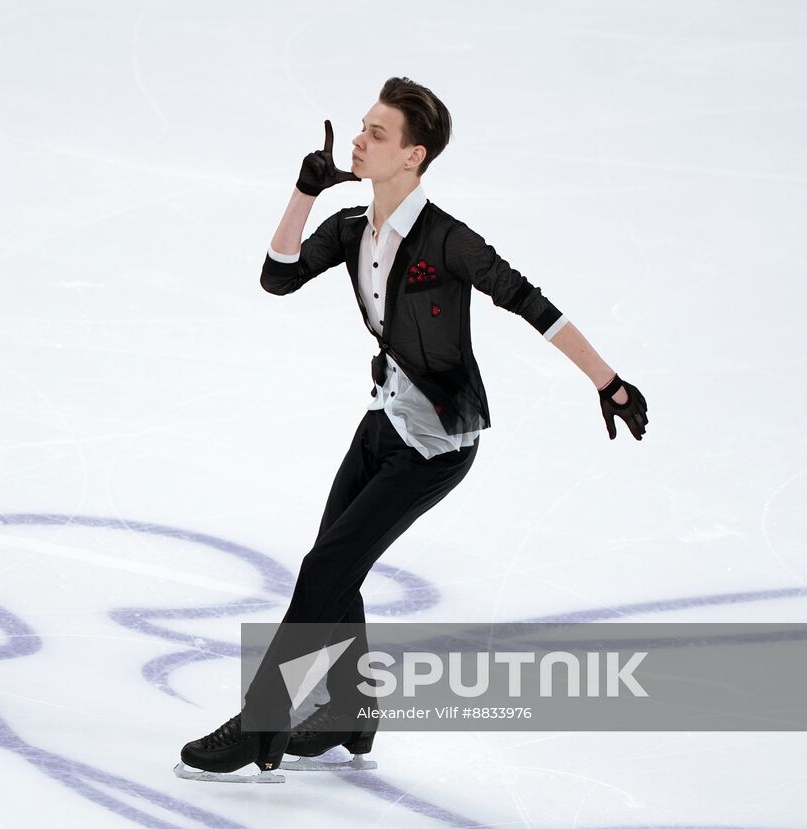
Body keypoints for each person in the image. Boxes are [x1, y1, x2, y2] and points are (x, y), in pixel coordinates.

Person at [173, 77, 649, 783]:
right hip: (383, 420)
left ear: (414, 157)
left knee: (325, 569)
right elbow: (277, 277)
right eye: (361, 128)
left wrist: (608, 381)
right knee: (338, 565)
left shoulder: (445, 240)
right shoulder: (351, 230)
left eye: (377, 134)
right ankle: (350, 714)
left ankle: (262, 719)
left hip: (435, 446)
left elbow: (531, 302)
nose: (360, 142)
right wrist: (306, 190)